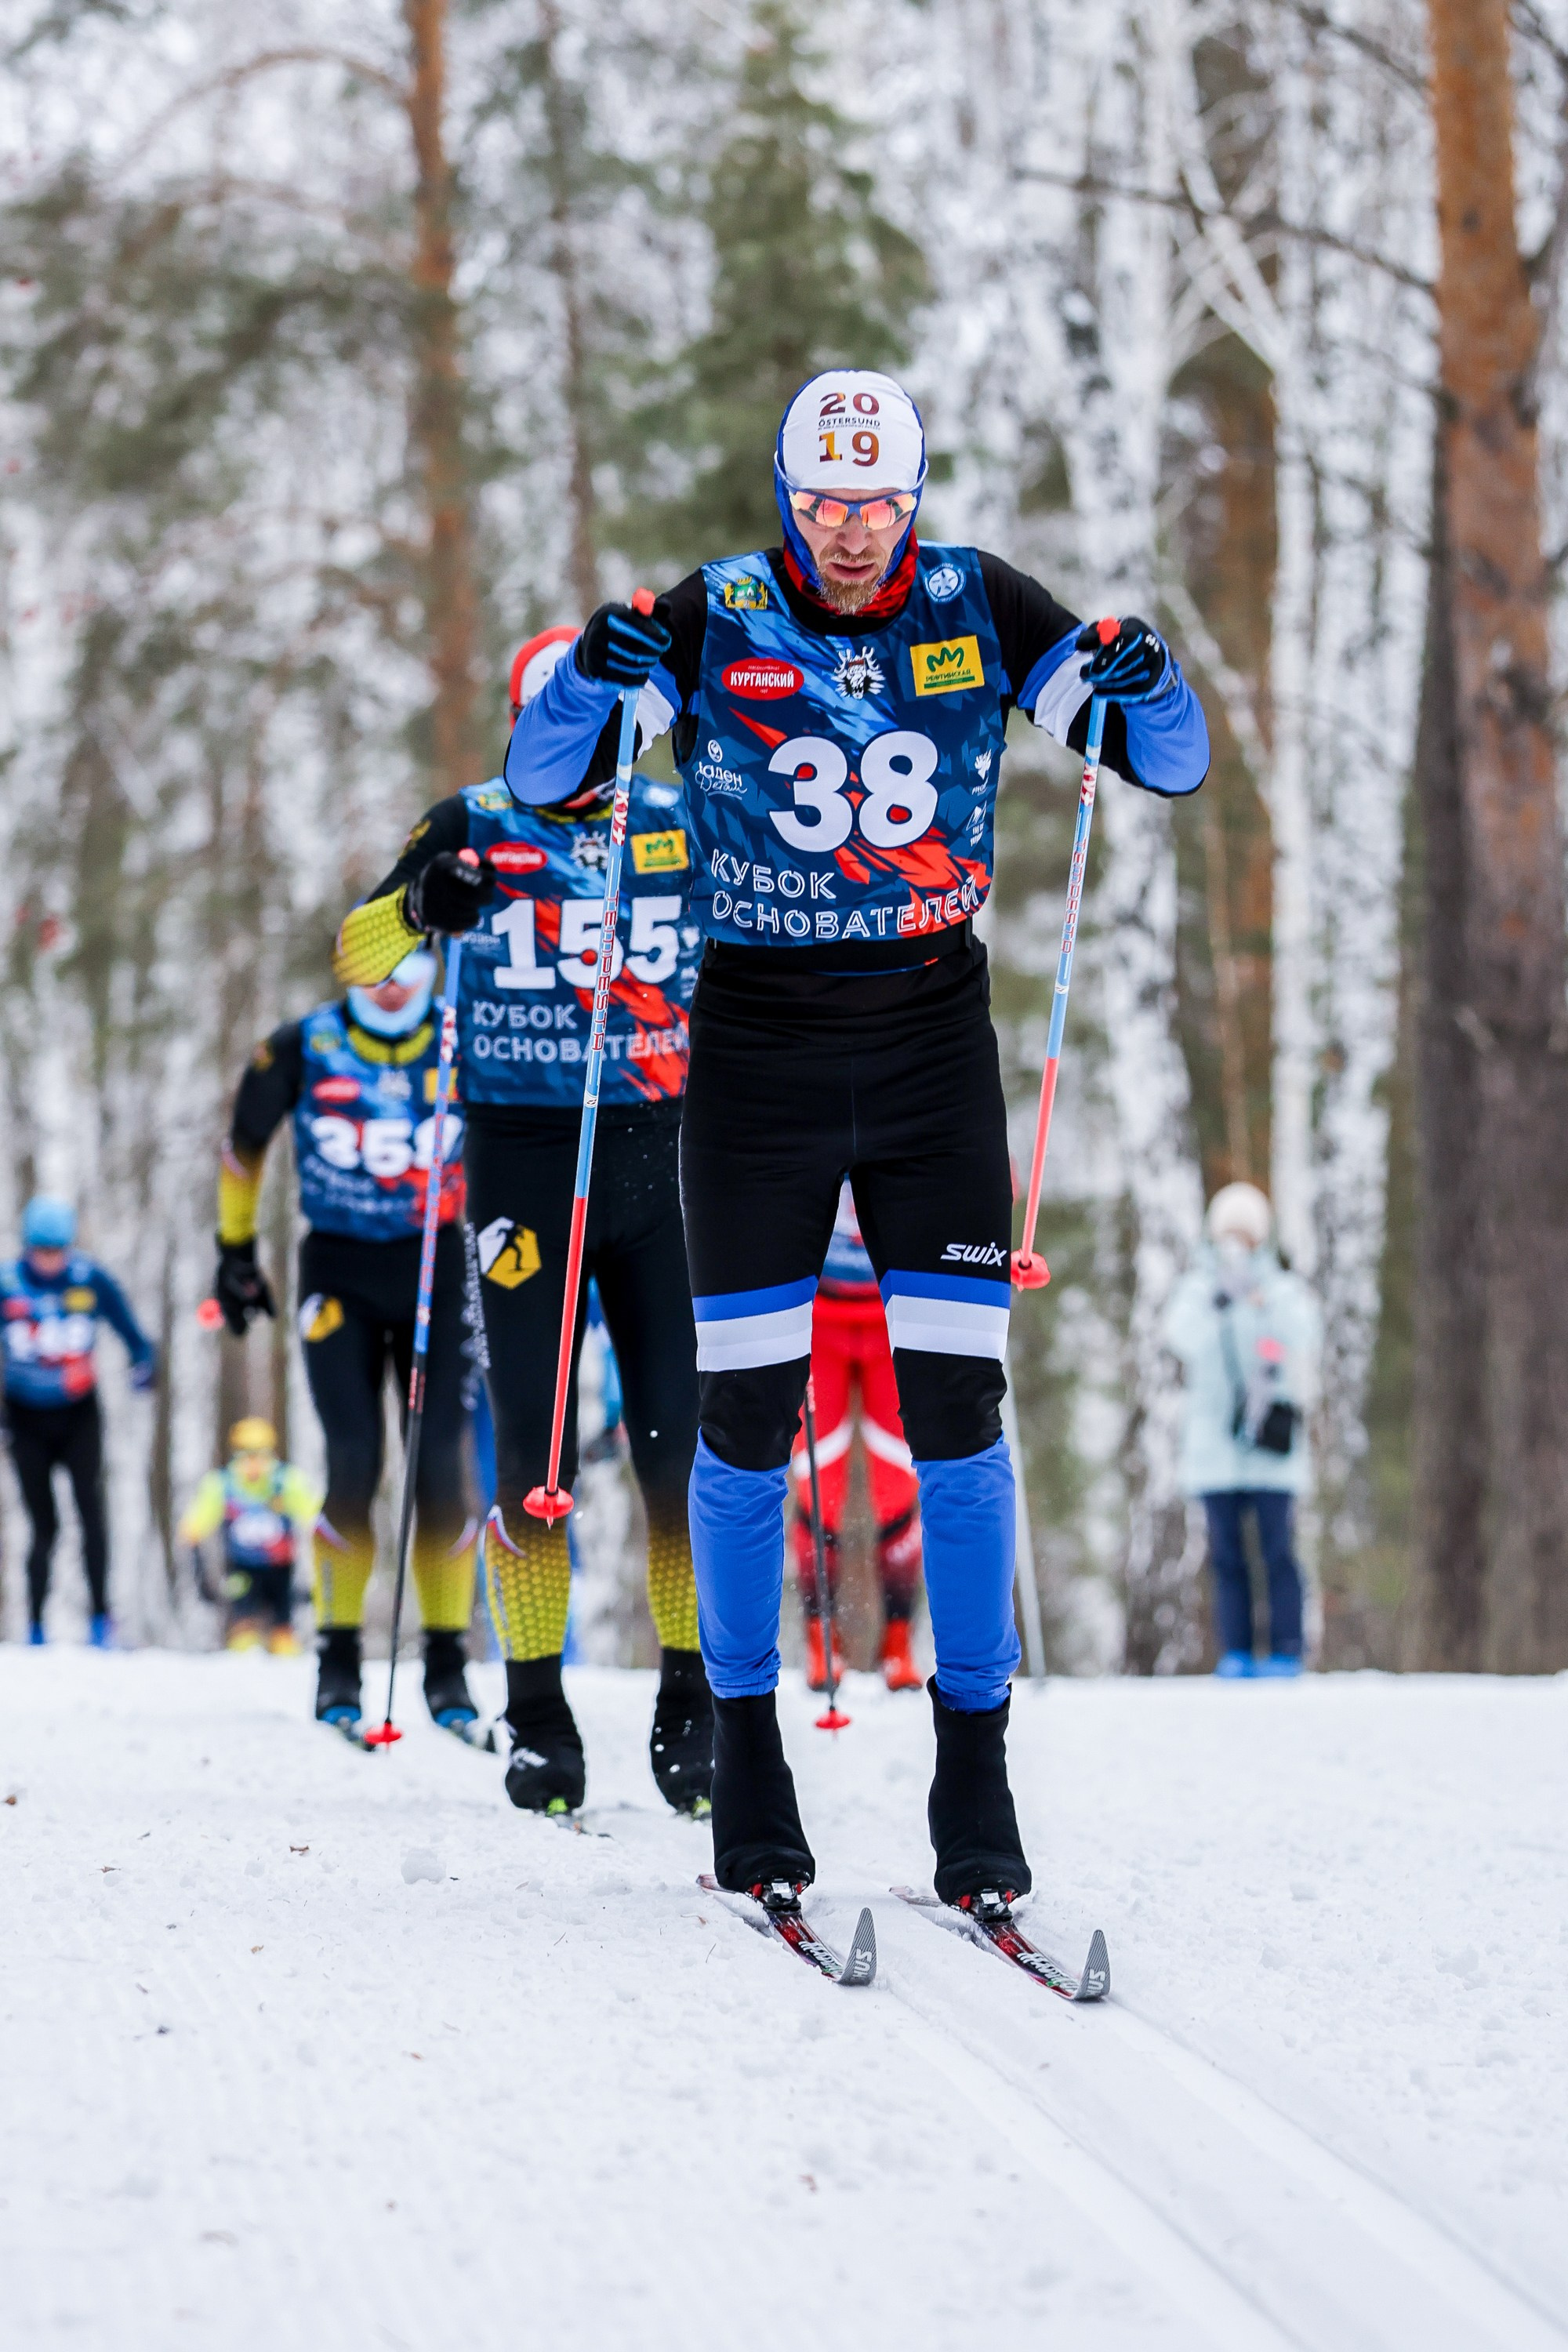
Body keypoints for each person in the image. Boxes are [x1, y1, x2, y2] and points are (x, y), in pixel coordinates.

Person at [497, 368, 1210, 1906]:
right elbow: (553, 780)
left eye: (875, 507)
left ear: (914, 500)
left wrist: (1144, 683)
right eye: (821, 506)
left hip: (925, 1048)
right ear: (782, 497)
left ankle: (975, 1764)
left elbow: (1168, 759)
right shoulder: (719, 609)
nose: (847, 537)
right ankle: (746, 1753)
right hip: (755, 1051)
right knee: (745, 1419)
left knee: (959, 1407)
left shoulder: (975, 598)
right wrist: (583, 682)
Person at [332, 629, 712, 1818]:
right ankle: (539, 1715)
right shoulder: (476, 817)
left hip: (661, 1156)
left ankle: (693, 1700)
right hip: (523, 1166)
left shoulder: (679, 817)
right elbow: (354, 951)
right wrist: (419, 905)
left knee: (680, 1453)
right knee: (532, 1454)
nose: (584, 752)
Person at [213, 950, 482, 1732]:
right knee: (354, 1459)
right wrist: (234, 1250)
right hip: (338, 1270)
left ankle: (446, 1667)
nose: (391, 985)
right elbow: (243, 1141)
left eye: (407, 969)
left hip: (438, 1266)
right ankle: (337, 1663)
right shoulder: (305, 1043)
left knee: (438, 1464)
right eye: (374, 970)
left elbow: (525, 1131)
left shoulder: (464, 1035)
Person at [1163, 1181, 1319, 1677]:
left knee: (1278, 1551)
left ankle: (1287, 1650)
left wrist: (1262, 1302)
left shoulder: (1280, 1285)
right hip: (1214, 1447)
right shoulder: (1198, 1287)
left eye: (1245, 1233)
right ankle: (1236, 1653)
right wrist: (1218, 1305)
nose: (1237, 1242)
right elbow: (1180, 1337)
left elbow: (1305, 1333)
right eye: (1229, 1232)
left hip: (1270, 1448)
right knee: (1227, 1554)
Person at [1, 1196, 156, 1646]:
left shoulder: (89, 1279)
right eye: (41, 1251)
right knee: (43, 1524)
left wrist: (144, 1361)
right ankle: (33, 1627)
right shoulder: (9, 1284)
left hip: (78, 1414)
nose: (50, 1261)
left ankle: (102, 1620)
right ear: (28, 1248)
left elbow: (129, 1329)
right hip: (25, 1416)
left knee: (92, 1512)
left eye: (57, 1251)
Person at [791, 1180, 924, 1693]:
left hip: (896, 1307)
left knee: (899, 1482)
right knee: (819, 1483)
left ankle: (898, 1641)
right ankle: (821, 1638)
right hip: (817, 1308)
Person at [180, 1418, 320, 1653]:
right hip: (241, 1569)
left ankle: (287, 1668)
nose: (253, 1462)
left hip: (281, 1569)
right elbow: (196, 1523)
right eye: (246, 1454)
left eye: (260, 1454)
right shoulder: (222, 1485)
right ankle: (242, 1668)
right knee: (243, 1625)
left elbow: (313, 1517)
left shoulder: (286, 1481)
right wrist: (197, 1564)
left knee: (283, 1630)